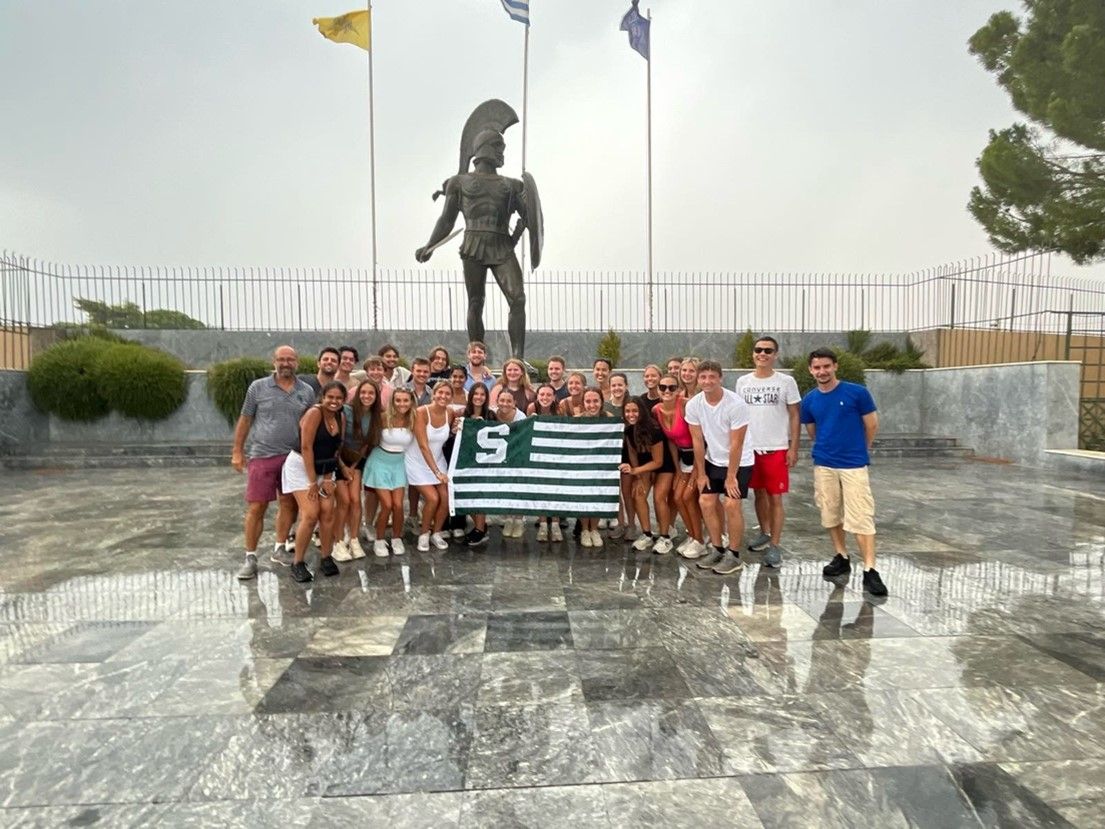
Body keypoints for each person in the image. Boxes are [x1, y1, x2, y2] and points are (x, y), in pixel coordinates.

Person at [800, 348, 887, 597]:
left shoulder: (856, 393)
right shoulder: (810, 400)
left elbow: (871, 425)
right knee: (830, 512)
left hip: (853, 464)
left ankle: (870, 569)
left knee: (861, 515)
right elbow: (812, 431)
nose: (822, 371)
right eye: (817, 367)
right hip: (824, 463)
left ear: (835, 366)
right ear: (811, 370)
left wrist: (861, 449)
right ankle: (841, 555)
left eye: (826, 366)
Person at [232, 346, 316, 580]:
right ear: (274, 361)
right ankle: (250, 556)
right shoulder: (258, 388)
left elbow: (310, 424)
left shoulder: (306, 391)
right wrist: (237, 450)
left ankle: (279, 547)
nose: (285, 363)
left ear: (297, 362)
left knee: (289, 504)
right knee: (257, 506)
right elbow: (245, 419)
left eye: (290, 359)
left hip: (293, 458)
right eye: (281, 359)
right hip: (263, 455)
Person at [734, 336, 800, 568]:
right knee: (758, 494)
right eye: (759, 350)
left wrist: (793, 447)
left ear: (775, 354)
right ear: (753, 354)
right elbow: (739, 415)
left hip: (776, 448)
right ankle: (764, 532)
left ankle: (775, 544)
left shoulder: (786, 382)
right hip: (751, 448)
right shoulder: (743, 382)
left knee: (775, 497)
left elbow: (794, 415)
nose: (763, 354)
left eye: (768, 351)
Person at [685, 360, 754, 576]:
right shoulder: (694, 404)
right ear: (698, 380)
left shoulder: (736, 404)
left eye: (712, 377)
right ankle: (716, 548)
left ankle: (733, 554)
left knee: (731, 504)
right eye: (703, 377)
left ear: (720, 378)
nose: (707, 381)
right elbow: (697, 440)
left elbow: (737, 443)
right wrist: (701, 474)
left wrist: (731, 476)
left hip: (740, 461)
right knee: (705, 501)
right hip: (713, 459)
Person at [281, 381, 352, 582]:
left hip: (325, 467)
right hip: (301, 466)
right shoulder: (314, 413)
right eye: (330, 397)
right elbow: (306, 448)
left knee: (328, 512)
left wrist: (329, 478)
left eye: (339, 398)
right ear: (322, 397)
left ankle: (326, 556)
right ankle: (298, 562)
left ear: (343, 400)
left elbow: (336, 447)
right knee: (311, 514)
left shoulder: (341, 416)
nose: (334, 401)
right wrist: (313, 482)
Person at [653, 374, 706, 559]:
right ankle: (693, 536)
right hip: (683, 458)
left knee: (688, 496)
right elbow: (671, 443)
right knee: (677, 497)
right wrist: (677, 470)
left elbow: (700, 440)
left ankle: (701, 540)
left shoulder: (685, 406)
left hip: (701, 456)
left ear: (678, 389)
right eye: (663, 387)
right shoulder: (656, 410)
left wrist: (697, 473)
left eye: (672, 387)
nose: (667, 391)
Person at [332, 378, 382, 561]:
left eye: (371, 393)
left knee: (355, 500)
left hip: (356, 460)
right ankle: (337, 542)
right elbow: (337, 441)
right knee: (343, 500)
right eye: (363, 392)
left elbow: (366, 444)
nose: (367, 396)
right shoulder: (346, 411)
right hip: (338, 459)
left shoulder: (376, 417)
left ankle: (353, 538)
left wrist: (353, 467)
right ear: (357, 393)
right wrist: (343, 467)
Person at [363, 388, 415, 556]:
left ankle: (396, 537)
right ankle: (379, 540)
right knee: (387, 505)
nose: (402, 404)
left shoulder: (414, 419)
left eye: (406, 400)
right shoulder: (383, 418)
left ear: (411, 402)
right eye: (398, 400)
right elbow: (368, 440)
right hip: (380, 463)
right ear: (392, 402)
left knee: (399, 505)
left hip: (398, 464)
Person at [620, 399, 674, 554]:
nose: (631, 414)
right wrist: (638, 476)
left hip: (663, 466)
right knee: (638, 494)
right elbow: (632, 454)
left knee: (659, 497)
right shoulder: (629, 431)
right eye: (628, 411)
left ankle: (665, 537)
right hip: (644, 467)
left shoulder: (654, 429)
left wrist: (636, 471)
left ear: (642, 411)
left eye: (635, 411)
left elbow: (658, 461)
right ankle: (647, 533)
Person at [407, 382, 456, 552]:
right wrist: (437, 472)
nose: (443, 396)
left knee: (446, 496)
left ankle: (436, 532)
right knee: (433, 498)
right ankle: (424, 533)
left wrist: (457, 429)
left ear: (451, 397)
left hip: (438, 460)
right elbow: (423, 446)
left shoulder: (450, 413)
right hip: (417, 462)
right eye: (440, 393)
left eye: (447, 394)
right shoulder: (421, 412)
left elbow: (450, 434)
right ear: (433, 394)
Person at [528, 384, 564, 542]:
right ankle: (543, 523)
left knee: (555, 488)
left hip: (555, 453)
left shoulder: (560, 409)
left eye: (549, 395)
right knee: (540, 487)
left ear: (554, 397)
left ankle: (555, 524)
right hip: (538, 453)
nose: (545, 398)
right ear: (537, 396)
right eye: (542, 394)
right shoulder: (532, 408)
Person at [575, 387, 609, 547]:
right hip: (582, 466)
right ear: (583, 403)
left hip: (601, 467)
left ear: (601, 402)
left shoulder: (610, 420)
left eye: (596, 401)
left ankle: (594, 529)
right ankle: (584, 530)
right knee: (584, 498)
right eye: (588, 401)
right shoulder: (576, 420)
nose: (592, 405)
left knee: (597, 497)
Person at [461, 383, 494, 547]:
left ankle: (480, 529)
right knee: (466, 496)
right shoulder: (463, 414)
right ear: (471, 396)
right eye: (476, 394)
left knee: (479, 496)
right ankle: (481, 525)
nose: (479, 397)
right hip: (466, 461)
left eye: (482, 394)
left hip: (485, 464)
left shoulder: (491, 415)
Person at [494, 389, 529, 539]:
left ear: (514, 403)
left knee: (518, 486)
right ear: (497, 401)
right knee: (505, 486)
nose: (505, 404)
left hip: (518, 455)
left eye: (509, 401)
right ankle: (508, 518)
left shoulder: (521, 416)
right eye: (502, 400)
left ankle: (519, 520)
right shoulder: (493, 414)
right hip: (500, 456)